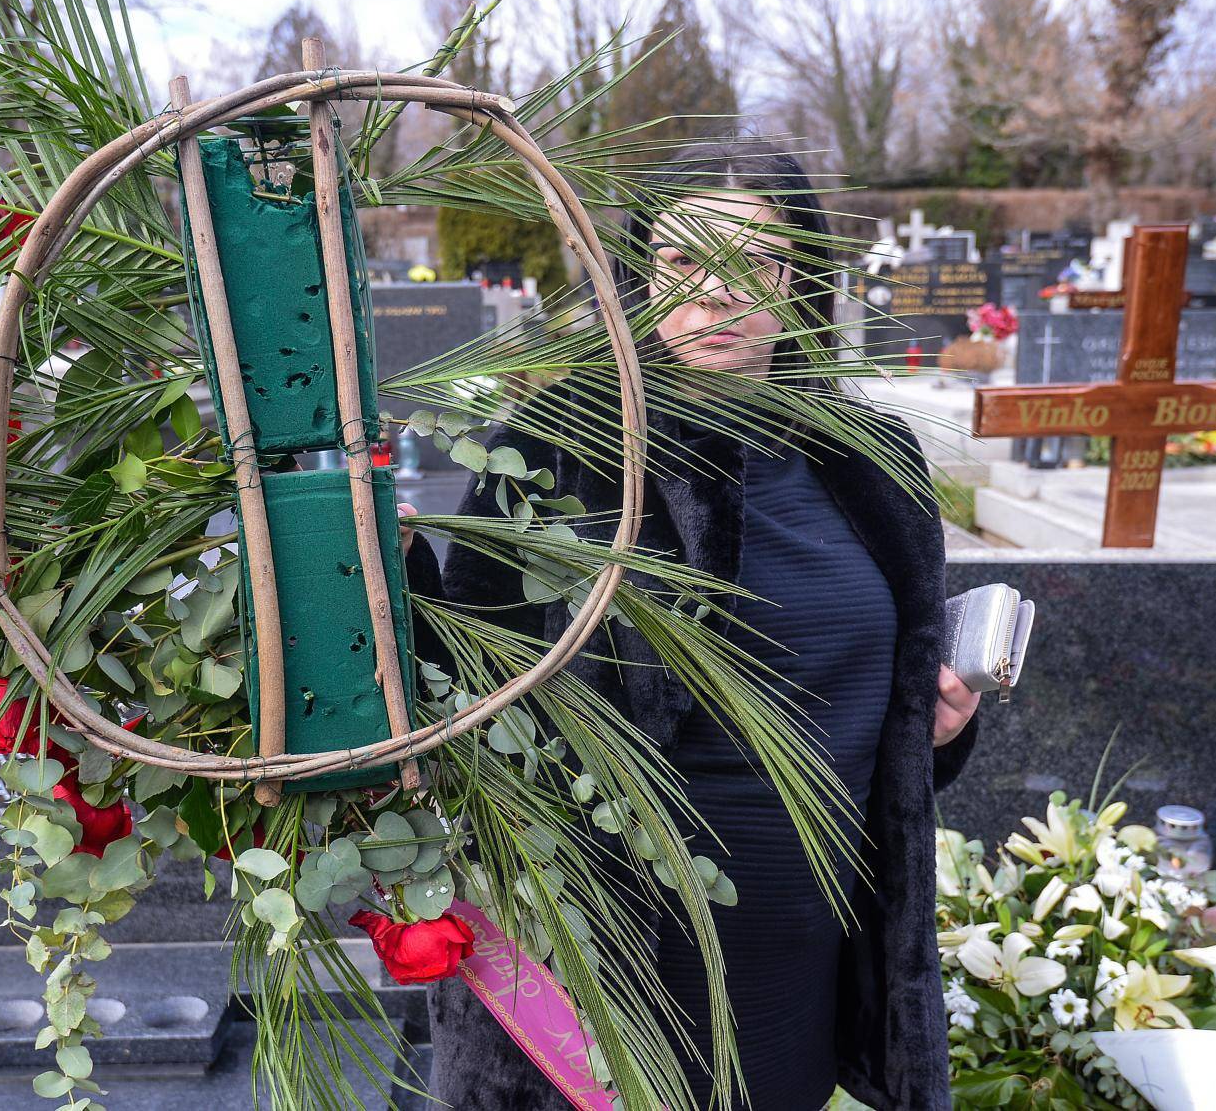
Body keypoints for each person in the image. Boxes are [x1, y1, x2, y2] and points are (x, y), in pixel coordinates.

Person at [398, 141, 980, 1111]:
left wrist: (942, 724)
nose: (715, 294)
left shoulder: (872, 458)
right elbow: (460, 693)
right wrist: (383, 569)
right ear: (638, 273)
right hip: (611, 971)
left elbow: (884, 686)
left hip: (805, 956)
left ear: (802, 276)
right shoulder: (555, 449)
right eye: (681, 262)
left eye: (755, 259)